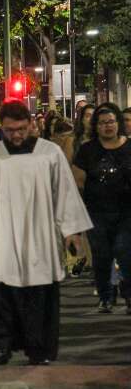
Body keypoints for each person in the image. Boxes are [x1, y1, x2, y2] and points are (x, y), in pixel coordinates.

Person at [0, 101, 92, 366]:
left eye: (21, 129)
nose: (17, 135)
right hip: (4, 236)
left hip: (41, 235)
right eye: (10, 130)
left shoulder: (50, 154)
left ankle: (39, 349)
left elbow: (65, 193)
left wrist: (71, 232)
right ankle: (2, 345)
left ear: (31, 124)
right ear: (2, 128)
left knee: (40, 297)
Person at [73, 103, 131, 315]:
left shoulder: (129, 147)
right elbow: (78, 179)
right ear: (95, 126)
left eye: (112, 122)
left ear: (118, 124)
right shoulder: (88, 150)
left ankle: (129, 294)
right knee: (102, 255)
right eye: (103, 123)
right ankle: (106, 297)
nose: (108, 126)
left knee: (124, 251)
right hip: (97, 212)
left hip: (126, 212)